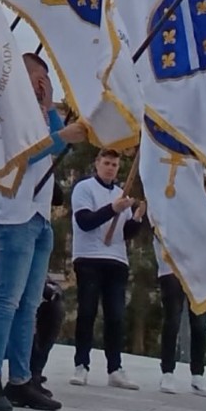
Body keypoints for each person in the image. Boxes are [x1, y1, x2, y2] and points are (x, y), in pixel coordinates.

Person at [0, 53, 82, 411]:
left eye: (45, 80)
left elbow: (52, 145)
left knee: (30, 303)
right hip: (12, 214)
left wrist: (51, 106)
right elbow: (22, 156)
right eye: (37, 78)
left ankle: (20, 380)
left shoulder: (36, 112)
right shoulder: (0, 110)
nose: (40, 85)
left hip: (37, 214)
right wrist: (62, 134)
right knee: (6, 298)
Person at [69, 147, 144, 390]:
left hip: (116, 260)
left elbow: (123, 234)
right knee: (88, 311)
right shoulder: (84, 188)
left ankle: (115, 368)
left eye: (114, 164)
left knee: (116, 316)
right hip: (89, 257)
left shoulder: (122, 193)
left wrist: (136, 219)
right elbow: (85, 221)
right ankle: (81, 364)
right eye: (107, 163)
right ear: (97, 164)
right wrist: (113, 209)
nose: (111, 168)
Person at [0, 250, 64, 392]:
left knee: (55, 309)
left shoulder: (26, 265)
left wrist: (48, 293)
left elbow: (52, 288)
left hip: (24, 321)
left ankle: (34, 374)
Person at [154, 234, 206, 397]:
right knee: (172, 319)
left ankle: (198, 375)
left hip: (199, 268)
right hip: (171, 265)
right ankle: (167, 372)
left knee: (200, 323)